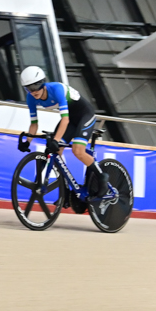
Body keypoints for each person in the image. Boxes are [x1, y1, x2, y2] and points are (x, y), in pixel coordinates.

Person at [19, 65, 105, 209]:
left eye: (36, 86)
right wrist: (27, 141)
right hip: (70, 119)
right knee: (56, 152)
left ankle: (102, 178)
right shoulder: (31, 99)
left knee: (78, 150)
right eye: (29, 88)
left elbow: (64, 120)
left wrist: (56, 140)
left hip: (85, 115)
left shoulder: (56, 89)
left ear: (43, 82)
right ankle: (65, 193)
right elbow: (34, 124)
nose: (33, 91)